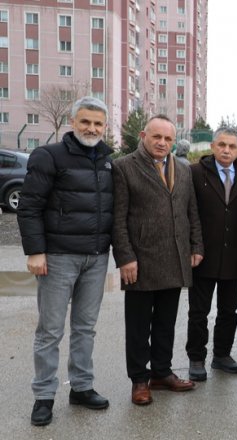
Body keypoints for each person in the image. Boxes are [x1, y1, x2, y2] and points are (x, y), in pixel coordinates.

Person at [18, 97, 114, 426]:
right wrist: (35, 251)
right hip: (58, 257)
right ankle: (44, 396)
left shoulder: (107, 160)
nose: (92, 128)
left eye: (98, 124)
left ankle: (82, 387)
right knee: (50, 330)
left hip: (97, 257)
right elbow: (29, 206)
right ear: (73, 122)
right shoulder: (49, 156)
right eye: (85, 122)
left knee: (85, 328)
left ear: (105, 127)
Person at [112, 115, 204, 406]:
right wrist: (125, 257)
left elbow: (191, 211)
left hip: (175, 257)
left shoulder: (183, 168)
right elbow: (118, 219)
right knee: (139, 325)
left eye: (168, 139)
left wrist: (196, 245)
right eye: (157, 137)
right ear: (143, 135)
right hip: (140, 260)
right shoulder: (124, 167)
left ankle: (162, 372)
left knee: (166, 322)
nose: (162, 143)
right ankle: (140, 379)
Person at [185, 128, 237, 381]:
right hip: (203, 254)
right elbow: (188, 213)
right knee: (198, 311)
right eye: (222, 145)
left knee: (229, 311)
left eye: (232, 147)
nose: (226, 151)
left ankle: (222, 355)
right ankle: (196, 358)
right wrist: (194, 246)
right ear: (213, 146)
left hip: (234, 255)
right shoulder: (194, 173)